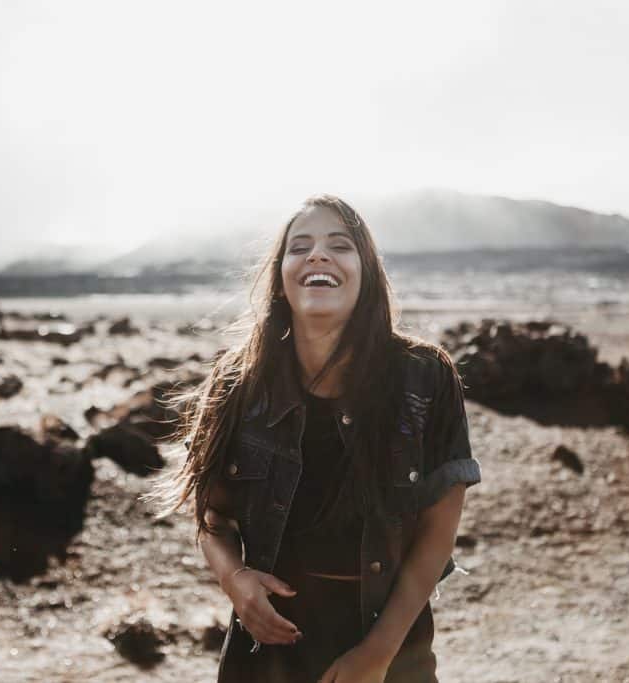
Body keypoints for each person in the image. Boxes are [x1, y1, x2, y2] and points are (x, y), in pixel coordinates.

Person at [150, 194, 482, 682]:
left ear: (366, 272)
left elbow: (436, 535)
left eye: (339, 246)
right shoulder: (238, 383)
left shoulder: (425, 377)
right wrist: (234, 579)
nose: (318, 255)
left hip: (392, 652)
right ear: (281, 278)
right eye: (299, 246)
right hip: (265, 656)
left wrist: (376, 654)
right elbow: (212, 516)